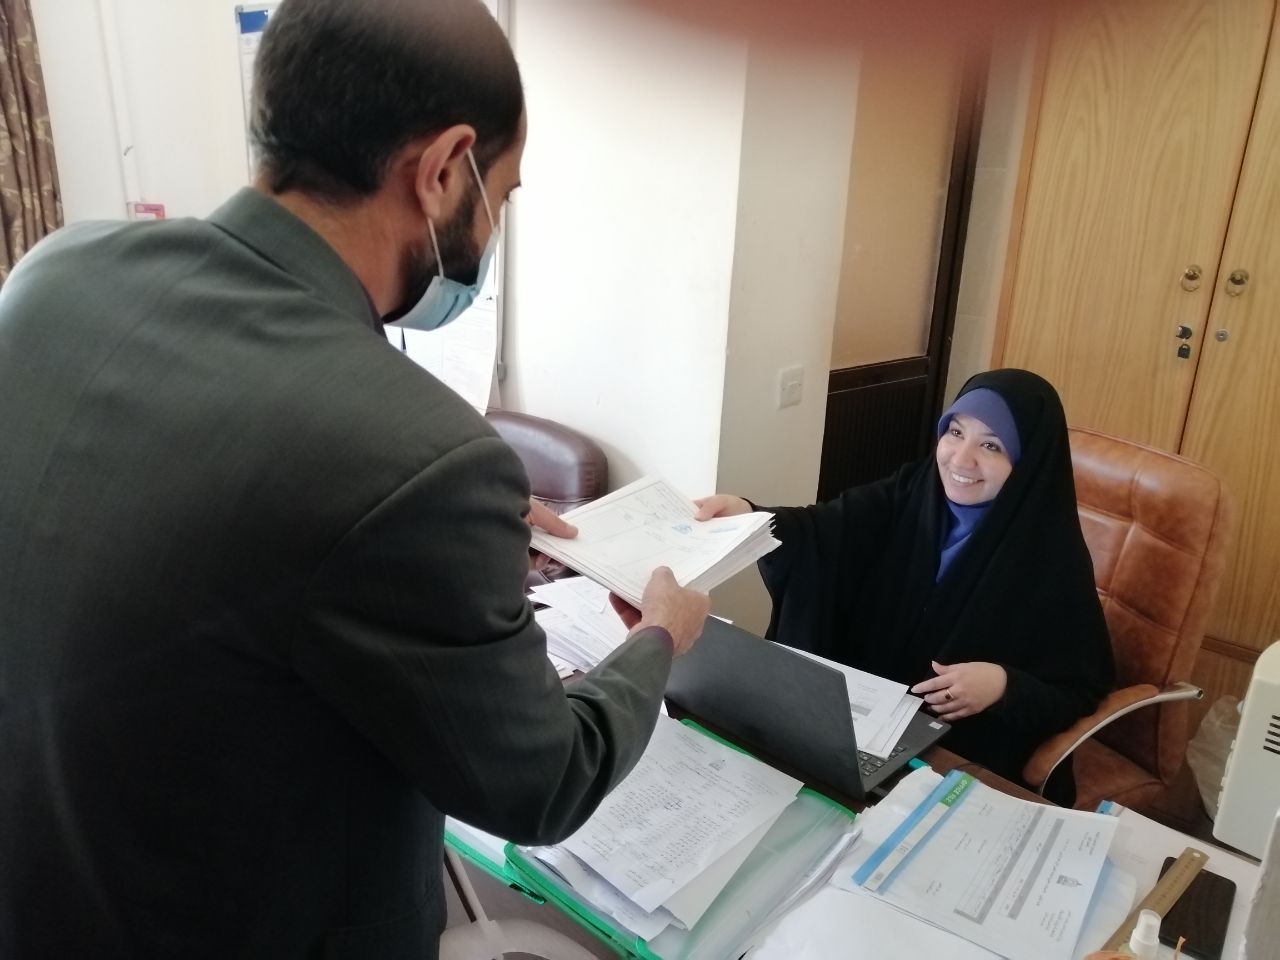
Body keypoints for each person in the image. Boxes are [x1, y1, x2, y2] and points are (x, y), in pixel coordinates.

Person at [0, 1, 708, 958]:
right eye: (503, 195)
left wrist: (448, 535)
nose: (495, 224)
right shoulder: (416, 456)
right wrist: (659, 636)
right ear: (444, 168)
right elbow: (542, 783)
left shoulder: (53, 274)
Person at [695, 369, 1114, 801]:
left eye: (991, 445)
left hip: (956, 749)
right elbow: (821, 532)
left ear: (1026, 462)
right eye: (955, 432)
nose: (961, 460)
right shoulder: (913, 491)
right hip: (862, 723)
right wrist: (751, 518)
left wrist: (1004, 685)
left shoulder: (1051, 557)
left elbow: (1079, 689)